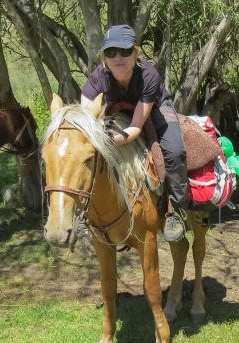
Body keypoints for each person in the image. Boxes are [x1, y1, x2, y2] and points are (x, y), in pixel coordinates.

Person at [80, 24, 189, 242]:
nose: (118, 57)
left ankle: (177, 211)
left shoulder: (149, 76)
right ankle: (85, 216)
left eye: (125, 51)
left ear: (135, 53)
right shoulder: (97, 78)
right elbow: (85, 116)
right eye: (111, 52)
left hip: (154, 107)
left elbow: (137, 126)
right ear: (104, 57)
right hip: (116, 108)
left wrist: (112, 140)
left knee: (175, 150)